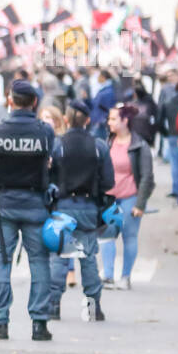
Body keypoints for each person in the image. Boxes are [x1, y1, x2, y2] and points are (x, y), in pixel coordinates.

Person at [0, 79, 56, 341]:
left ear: (10, 101)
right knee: (39, 263)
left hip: (4, 205)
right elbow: (50, 161)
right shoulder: (45, 131)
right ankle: (39, 324)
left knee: (1, 262)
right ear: (35, 102)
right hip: (36, 204)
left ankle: (0, 322)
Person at [47, 100, 112, 321]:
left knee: (59, 257)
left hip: (63, 204)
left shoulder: (58, 145)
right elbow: (109, 181)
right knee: (88, 257)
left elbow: (49, 177)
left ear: (66, 119)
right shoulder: (98, 146)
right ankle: (94, 306)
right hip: (88, 206)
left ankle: (54, 305)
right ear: (87, 120)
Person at [99, 104, 154, 290]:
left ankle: (125, 276)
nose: (109, 122)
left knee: (129, 237)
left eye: (113, 119)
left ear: (125, 121)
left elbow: (147, 176)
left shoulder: (139, 146)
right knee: (107, 235)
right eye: (109, 119)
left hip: (130, 197)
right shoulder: (107, 142)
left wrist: (140, 204)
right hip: (109, 197)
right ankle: (107, 275)